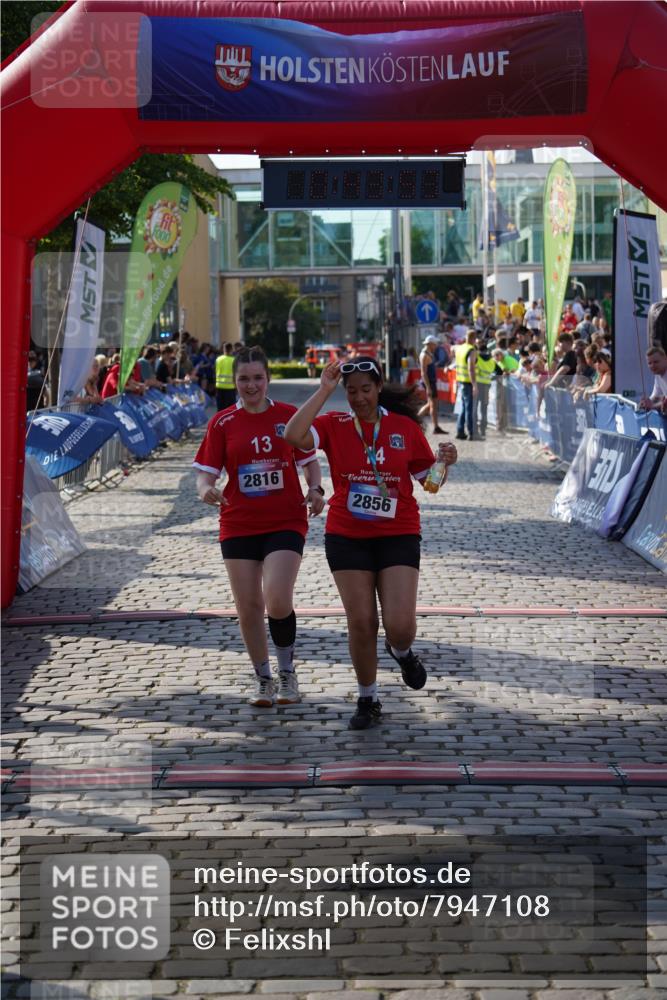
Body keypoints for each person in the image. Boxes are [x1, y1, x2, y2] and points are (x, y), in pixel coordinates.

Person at [283, 357, 457, 730]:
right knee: (361, 621)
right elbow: (293, 436)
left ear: (378, 387)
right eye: (351, 391)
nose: (358, 398)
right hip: (348, 534)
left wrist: (445, 463)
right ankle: (368, 698)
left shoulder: (403, 428)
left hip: (398, 533)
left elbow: (431, 482)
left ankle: (402, 651)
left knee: (399, 626)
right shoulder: (334, 423)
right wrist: (323, 390)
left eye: (365, 389)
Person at [193, 345, 325, 707]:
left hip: (285, 519)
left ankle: (287, 673)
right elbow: (204, 475)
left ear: (268, 379)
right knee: (248, 605)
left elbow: (310, 461)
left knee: (277, 599)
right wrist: (207, 490)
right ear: (234, 381)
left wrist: (315, 489)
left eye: (258, 378)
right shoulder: (222, 423)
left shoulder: (288, 417)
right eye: (244, 379)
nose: (251, 386)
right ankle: (263, 678)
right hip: (238, 522)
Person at [417, 335, 447, 435]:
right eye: (434, 344)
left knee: (433, 404)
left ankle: (436, 426)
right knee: (431, 404)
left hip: (431, 381)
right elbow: (423, 373)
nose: (436, 346)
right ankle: (416, 419)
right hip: (429, 382)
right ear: (430, 344)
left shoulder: (429, 353)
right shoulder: (424, 355)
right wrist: (428, 387)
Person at [454, 330, 478, 440]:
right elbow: (471, 368)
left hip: (460, 380)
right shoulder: (471, 350)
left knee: (463, 408)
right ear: (474, 338)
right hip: (468, 382)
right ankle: (471, 433)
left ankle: (460, 431)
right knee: (469, 408)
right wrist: (474, 385)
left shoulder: (460, 348)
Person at [475, 339, 495, 440]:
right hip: (487, 386)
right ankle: (483, 429)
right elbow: (493, 373)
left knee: (475, 408)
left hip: (478, 385)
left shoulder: (477, 358)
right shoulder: (491, 361)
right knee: (484, 408)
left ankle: (475, 429)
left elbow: (475, 371)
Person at [638, 345, 667, 413]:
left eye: (656, 362)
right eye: (649, 363)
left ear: (665, 359)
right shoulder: (658, 375)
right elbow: (655, 396)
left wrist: (652, 406)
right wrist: (645, 403)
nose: (652, 366)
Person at [215, 342, 236, 409]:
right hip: (230, 387)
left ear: (224, 349)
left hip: (219, 386)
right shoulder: (234, 360)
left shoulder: (218, 359)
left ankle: (220, 419)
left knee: (220, 408)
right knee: (230, 409)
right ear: (231, 350)